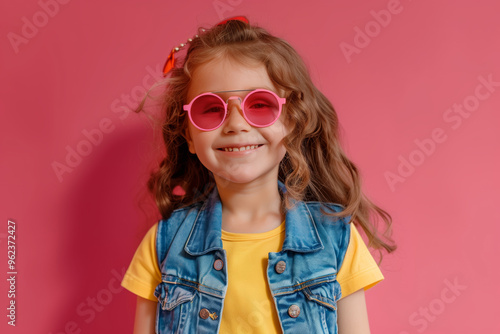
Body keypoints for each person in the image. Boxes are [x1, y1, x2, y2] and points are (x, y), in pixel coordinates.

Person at [121, 16, 396, 334]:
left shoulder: (335, 238)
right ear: (188, 135)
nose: (236, 124)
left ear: (293, 121)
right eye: (211, 108)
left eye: (260, 105)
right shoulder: (165, 243)